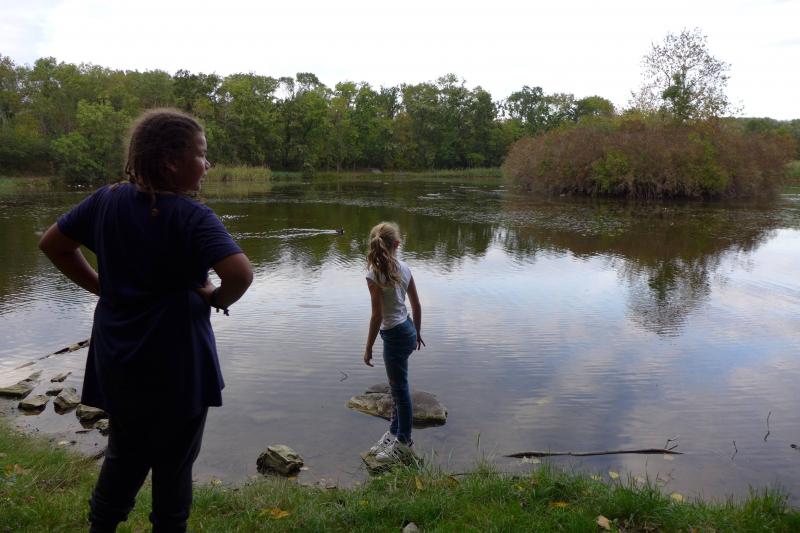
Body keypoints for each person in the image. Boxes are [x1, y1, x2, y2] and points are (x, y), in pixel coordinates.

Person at [38, 108, 253, 533]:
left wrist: (103, 287)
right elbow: (240, 274)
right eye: (201, 154)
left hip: (120, 358)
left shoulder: (105, 200)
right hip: (179, 365)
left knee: (124, 455)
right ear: (171, 162)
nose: (208, 164)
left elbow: (54, 245)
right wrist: (216, 298)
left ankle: (102, 526)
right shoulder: (193, 216)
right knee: (174, 466)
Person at [363, 222, 425, 463]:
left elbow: (377, 316)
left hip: (394, 336)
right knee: (398, 387)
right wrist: (417, 333)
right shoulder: (405, 268)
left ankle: (404, 442)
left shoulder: (373, 275)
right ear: (397, 244)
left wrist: (368, 346)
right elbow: (416, 305)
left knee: (400, 390)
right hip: (408, 330)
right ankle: (393, 433)